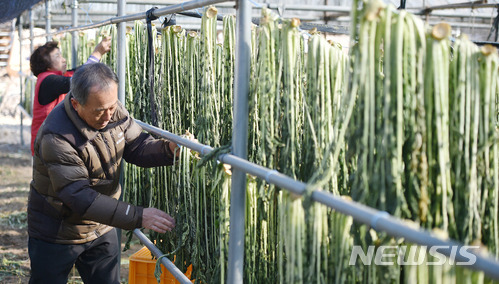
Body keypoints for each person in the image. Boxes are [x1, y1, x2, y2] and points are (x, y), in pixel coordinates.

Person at [28, 63, 180, 284]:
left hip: (100, 227)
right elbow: (79, 197)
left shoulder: (112, 108)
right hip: (57, 231)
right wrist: (137, 215)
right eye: (99, 110)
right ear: (75, 104)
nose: (109, 115)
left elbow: (138, 146)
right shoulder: (57, 136)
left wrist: (168, 150)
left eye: (111, 106)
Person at [29, 37, 111, 155]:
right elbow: (79, 81)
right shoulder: (48, 80)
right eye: (57, 56)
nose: (63, 60)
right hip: (46, 145)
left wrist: (98, 57)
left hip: (51, 141)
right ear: (46, 65)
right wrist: (97, 53)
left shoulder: (57, 76)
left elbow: (81, 71)